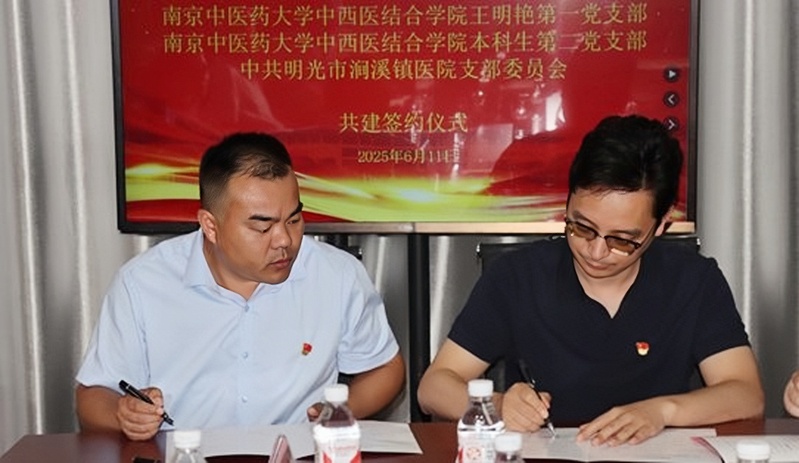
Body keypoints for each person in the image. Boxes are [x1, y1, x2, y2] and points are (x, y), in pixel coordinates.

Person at [417, 115, 764, 445]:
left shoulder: (692, 281)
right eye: (582, 228)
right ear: (568, 202)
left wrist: (662, 411)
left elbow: (746, 394)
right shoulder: (518, 277)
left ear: (661, 226)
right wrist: (497, 405)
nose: (596, 252)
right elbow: (433, 388)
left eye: (621, 240)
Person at [76, 133, 405, 440]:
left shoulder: (336, 275)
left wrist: (340, 411)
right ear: (210, 226)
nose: (284, 240)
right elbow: (92, 396)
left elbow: (385, 368)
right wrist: (124, 414)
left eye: (293, 220)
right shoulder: (144, 283)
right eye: (263, 227)